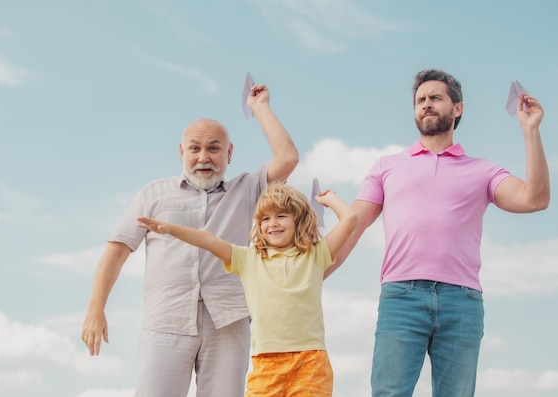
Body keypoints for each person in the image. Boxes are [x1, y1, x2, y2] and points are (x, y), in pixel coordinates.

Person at [327, 69, 550, 396]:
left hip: (462, 300)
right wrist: (310, 274)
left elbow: (535, 199)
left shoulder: (483, 170)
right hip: (402, 297)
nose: (426, 104)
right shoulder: (386, 167)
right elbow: (352, 227)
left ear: (457, 108)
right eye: (420, 100)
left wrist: (530, 131)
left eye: (435, 98)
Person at [81, 83, 299, 397]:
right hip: (165, 320)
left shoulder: (248, 190)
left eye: (213, 148)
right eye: (194, 148)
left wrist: (260, 107)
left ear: (229, 153)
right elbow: (116, 252)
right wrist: (95, 309)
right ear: (182, 152)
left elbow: (288, 157)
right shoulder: (154, 193)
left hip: (229, 322)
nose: (203, 157)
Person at [138, 182, 358, 396]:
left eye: (281, 216)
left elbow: (350, 218)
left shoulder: (315, 255)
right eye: (265, 218)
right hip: (265, 363)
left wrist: (330, 199)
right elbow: (209, 240)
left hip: (310, 361)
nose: (273, 223)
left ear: (298, 220)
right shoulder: (248, 259)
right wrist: (170, 229)